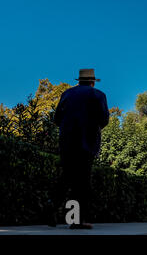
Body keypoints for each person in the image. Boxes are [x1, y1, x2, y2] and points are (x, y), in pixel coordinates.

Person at [45, 69, 109, 229]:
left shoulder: (67, 94)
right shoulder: (98, 95)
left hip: (67, 142)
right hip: (87, 142)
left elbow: (57, 118)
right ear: (93, 82)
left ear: (79, 81)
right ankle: (76, 221)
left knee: (66, 177)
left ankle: (52, 206)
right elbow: (104, 119)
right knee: (82, 182)